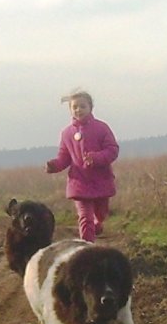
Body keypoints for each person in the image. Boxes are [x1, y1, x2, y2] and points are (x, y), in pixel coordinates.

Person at [45, 89, 119, 242]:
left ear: (91, 107)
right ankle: (87, 249)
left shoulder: (102, 128)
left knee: (101, 213)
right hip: (79, 182)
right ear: (70, 110)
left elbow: (113, 150)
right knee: (85, 218)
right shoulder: (66, 133)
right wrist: (54, 166)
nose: (79, 110)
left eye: (82, 106)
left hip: (101, 181)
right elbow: (64, 158)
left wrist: (97, 158)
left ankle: (98, 224)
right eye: (75, 107)